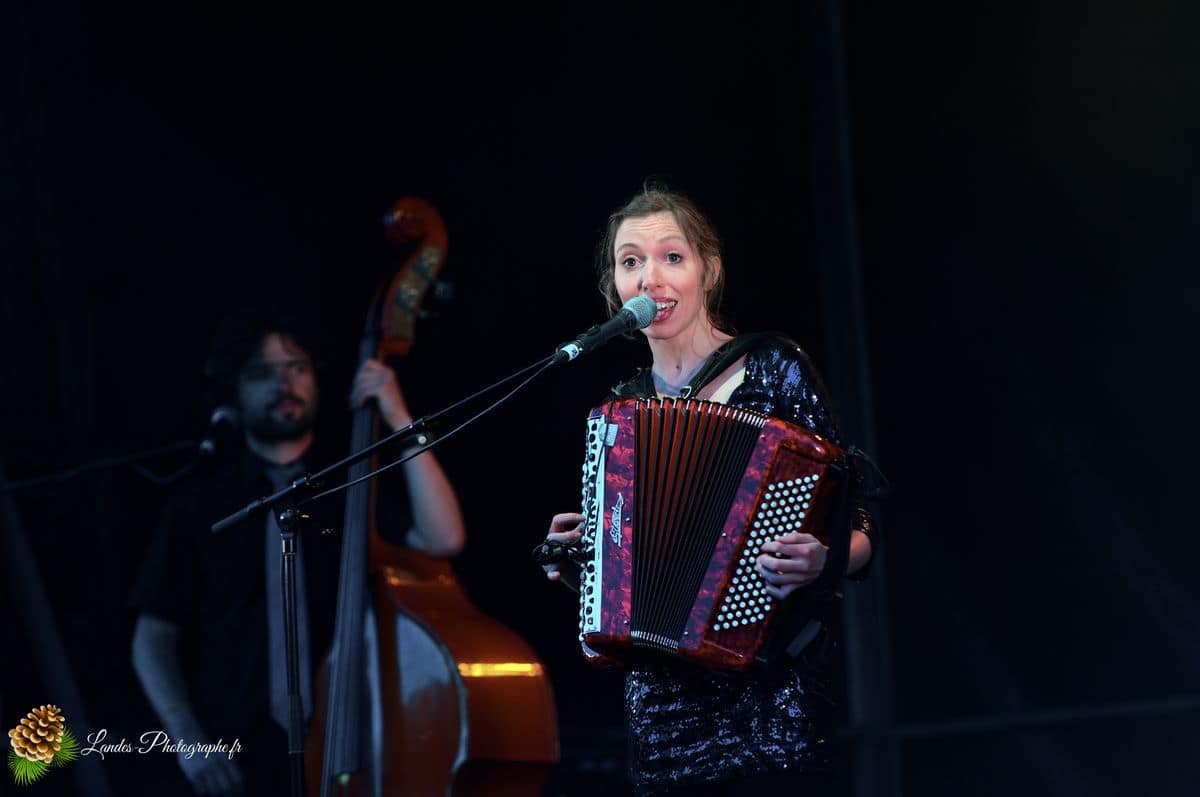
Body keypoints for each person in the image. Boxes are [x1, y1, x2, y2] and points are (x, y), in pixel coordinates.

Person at [542, 186, 876, 796]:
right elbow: (620, 585)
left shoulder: (774, 368)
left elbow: (859, 521)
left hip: (773, 703)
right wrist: (578, 562)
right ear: (614, 286)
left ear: (708, 270)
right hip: (662, 718)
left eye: (672, 257)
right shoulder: (623, 412)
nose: (651, 278)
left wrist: (825, 559)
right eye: (631, 261)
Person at [130, 307, 465, 795]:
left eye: (297, 367)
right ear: (235, 390)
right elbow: (152, 637)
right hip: (232, 755)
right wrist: (186, 738)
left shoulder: (356, 485)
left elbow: (443, 537)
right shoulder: (197, 503)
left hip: (348, 743)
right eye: (263, 373)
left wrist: (399, 418)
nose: (284, 383)